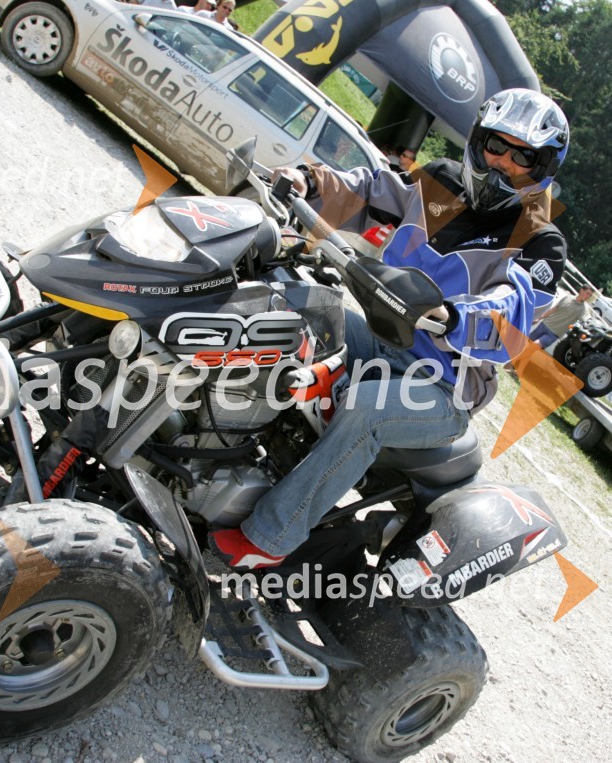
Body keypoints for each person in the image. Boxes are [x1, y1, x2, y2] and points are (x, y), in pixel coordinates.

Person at [211, 88, 570, 568]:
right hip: (383, 336)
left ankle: (269, 540)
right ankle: (212, 443)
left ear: (542, 168)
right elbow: (369, 190)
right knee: (294, 303)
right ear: (478, 141)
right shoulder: (439, 180)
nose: (504, 162)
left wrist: (454, 316)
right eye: (496, 146)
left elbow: (514, 313)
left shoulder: (541, 241)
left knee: (367, 408)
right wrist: (307, 181)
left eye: (523, 155)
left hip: (443, 383)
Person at [529, 284, 596, 348]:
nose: (588, 296)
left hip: (554, 334)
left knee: (535, 345)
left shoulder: (584, 309)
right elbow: (553, 309)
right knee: (526, 342)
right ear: (581, 290)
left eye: (590, 295)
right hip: (544, 324)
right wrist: (539, 318)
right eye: (587, 293)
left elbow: (586, 320)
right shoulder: (568, 297)